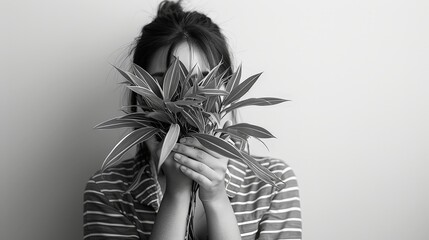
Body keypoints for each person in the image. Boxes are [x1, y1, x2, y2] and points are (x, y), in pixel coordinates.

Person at [83, 1, 302, 239]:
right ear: (141, 94)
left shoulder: (272, 184)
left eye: (204, 82)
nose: (187, 98)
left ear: (227, 90)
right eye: (166, 82)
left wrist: (216, 196)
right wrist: (177, 194)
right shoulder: (109, 190)